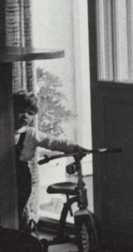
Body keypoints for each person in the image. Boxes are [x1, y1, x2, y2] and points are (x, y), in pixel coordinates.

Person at [14, 90, 85, 230]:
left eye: (30, 113)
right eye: (21, 111)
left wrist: (74, 147)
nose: (25, 116)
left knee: (16, 209)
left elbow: (54, 142)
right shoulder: (0, 132)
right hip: (1, 174)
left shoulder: (32, 133)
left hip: (21, 176)